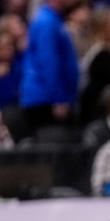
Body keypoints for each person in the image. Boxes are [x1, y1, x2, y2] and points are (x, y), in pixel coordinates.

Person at [19, 0, 79, 132]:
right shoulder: (47, 22)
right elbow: (48, 62)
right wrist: (58, 99)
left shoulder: (55, 20)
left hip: (49, 97)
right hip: (44, 100)